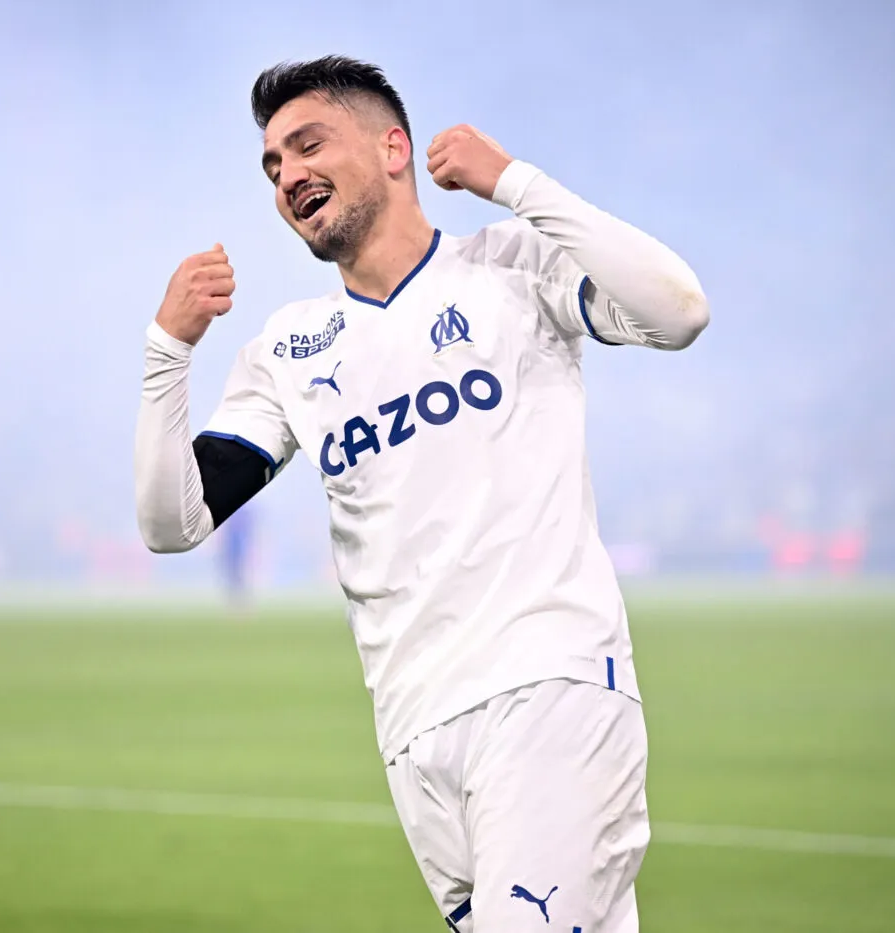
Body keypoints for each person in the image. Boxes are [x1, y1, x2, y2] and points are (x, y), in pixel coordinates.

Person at [135, 55, 708, 932]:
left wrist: (514, 181)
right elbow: (173, 523)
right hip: (415, 733)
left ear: (392, 147)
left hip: (546, 686)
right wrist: (168, 351)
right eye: (273, 164)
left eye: (307, 144)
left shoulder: (511, 266)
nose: (287, 175)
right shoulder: (290, 350)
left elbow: (678, 312)